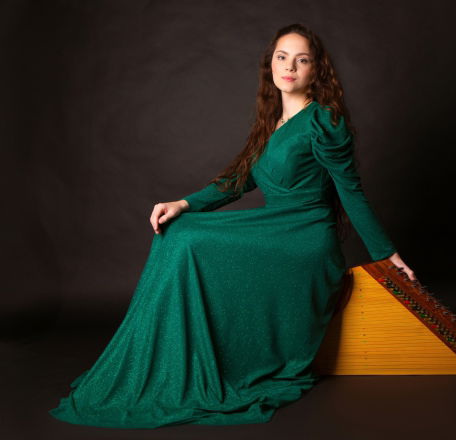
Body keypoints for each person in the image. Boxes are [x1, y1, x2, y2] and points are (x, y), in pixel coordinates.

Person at [49, 23, 415, 428]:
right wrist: (183, 203)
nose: (290, 67)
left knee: (189, 241)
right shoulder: (274, 121)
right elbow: (238, 181)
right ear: (270, 64)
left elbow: (351, 192)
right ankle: (157, 363)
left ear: (316, 70)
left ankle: (177, 365)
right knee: (178, 230)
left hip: (304, 242)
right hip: (274, 229)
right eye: (282, 57)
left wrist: (386, 254)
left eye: (302, 60)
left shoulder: (324, 120)